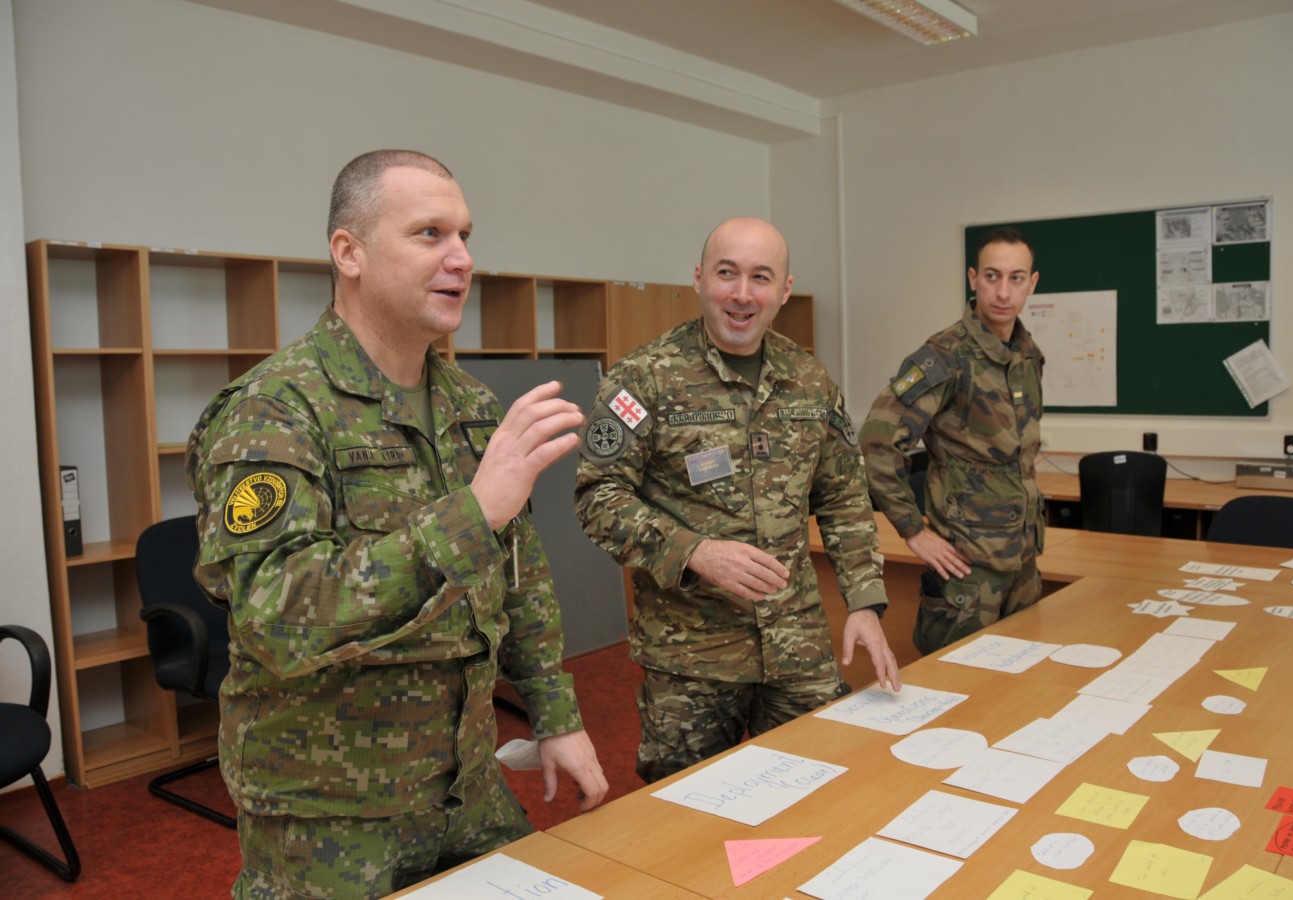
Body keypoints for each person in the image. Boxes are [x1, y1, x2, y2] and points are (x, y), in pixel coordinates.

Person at [186, 149, 608, 898]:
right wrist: (470, 514)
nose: (462, 258)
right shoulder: (274, 409)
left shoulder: (472, 406)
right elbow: (274, 615)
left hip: (466, 784)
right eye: (429, 234)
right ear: (348, 252)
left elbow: (520, 579)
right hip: (330, 813)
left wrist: (555, 715)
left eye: (466, 235)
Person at [574, 216, 901, 784]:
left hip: (797, 645)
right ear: (699, 278)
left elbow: (844, 497)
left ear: (784, 290)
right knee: (689, 808)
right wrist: (694, 551)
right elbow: (597, 497)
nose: (742, 294)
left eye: (761, 277)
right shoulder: (645, 379)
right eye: (727, 273)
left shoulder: (810, 381)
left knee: (822, 790)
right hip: (691, 657)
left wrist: (865, 603)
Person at [859, 226, 1045, 656]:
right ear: (973, 278)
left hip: (1022, 565)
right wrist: (912, 531)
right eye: (992, 276)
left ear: (1031, 283)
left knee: (1024, 684)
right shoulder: (945, 357)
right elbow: (876, 442)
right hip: (967, 574)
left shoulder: (1027, 355)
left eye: (1016, 278)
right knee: (956, 685)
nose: (1003, 291)